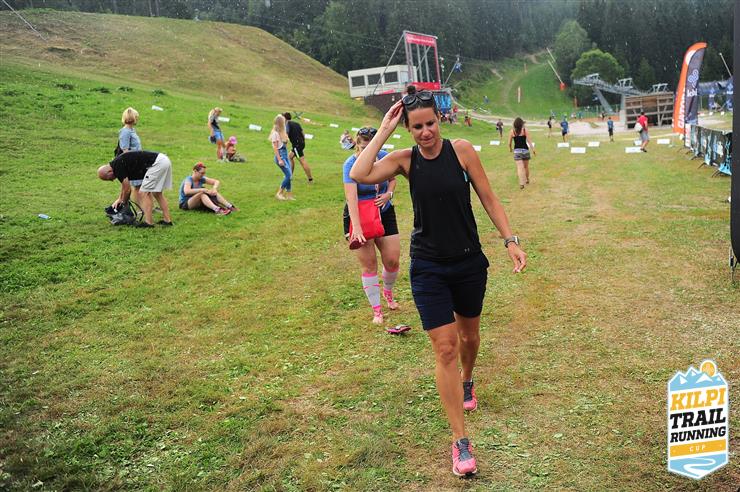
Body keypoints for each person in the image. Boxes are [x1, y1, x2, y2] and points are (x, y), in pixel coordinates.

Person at [349, 86, 527, 477]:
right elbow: (359, 173)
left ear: (439, 119)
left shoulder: (461, 151)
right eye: (417, 127)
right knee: (445, 347)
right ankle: (460, 441)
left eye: (430, 123)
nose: (425, 132)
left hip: (468, 263)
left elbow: (489, 198)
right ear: (408, 129)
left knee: (469, 339)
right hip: (428, 266)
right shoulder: (405, 160)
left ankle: (468, 379)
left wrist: (510, 240)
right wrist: (384, 129)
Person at [343, 127, 401, 325]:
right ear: (357, 145)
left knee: (392, 260)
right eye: (363, 148)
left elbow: (392, 180)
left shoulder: (384, 157)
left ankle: (388, 292)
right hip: (360, 216)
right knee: (369, 264)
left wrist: (388, 194)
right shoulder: (350, 165)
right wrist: (357, 228)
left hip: (384, 212)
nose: (368, 154)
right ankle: (377, 311)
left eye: (372, 149)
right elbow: (351, 198)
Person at [98, 151, 173, 227]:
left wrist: (123, 203)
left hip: (157, 164)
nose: (112, 180)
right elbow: (124, 185)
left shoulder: (117, 166)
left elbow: (127, 189)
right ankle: (167, 220)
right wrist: (120, 199)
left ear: (109, 171)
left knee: (143, 193)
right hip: (163, 160)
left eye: (109, 178)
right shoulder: (117, 163)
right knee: (157, 193)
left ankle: (149, 223)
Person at [283, 112, 314, 183]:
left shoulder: (287, 125)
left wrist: (284, 146)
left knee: (302, 161)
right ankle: (289, 175)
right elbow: (303, 133)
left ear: (285, 118)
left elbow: (286, 137)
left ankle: (310, 179)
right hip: (300, 143)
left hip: (297, 145)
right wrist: (301, 142)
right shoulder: (296, 123)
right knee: (290, 157)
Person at [270, 114, 294, 200]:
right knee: (289, 175)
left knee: (289, 175)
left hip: (285, 156)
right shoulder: (275, 134)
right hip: (280, 157)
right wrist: (280, 160)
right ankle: (279, 193)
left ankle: (289, 195)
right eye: (284, 122)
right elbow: (275, 148)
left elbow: (285, 144)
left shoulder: (282, 132)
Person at [508, 117, 536, 190]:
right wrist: (533, 149)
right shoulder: (525, 130)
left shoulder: (512, 131)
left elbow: (509, 143)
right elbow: (529, 141)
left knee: (519, 168)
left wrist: (510, 149)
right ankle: (527, 179)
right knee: (526, 167)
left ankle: (521, 183)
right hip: (525, 151)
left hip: (517, 151)